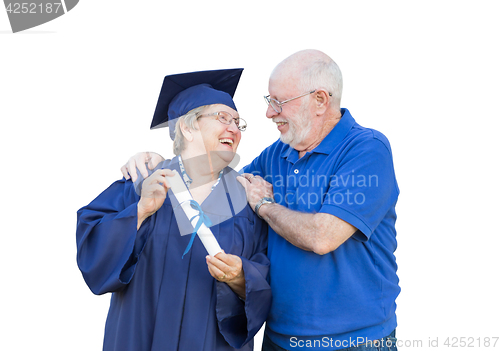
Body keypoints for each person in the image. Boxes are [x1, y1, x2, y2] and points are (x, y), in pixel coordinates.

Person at [122, 50, 400, 351]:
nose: (269, 113)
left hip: (354, 341)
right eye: (269, 102)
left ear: (319, 100)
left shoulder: (366, 150)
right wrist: (164, 163)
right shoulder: (276, 155)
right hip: (280, 338)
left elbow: (323, 236)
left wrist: (265, 206)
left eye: (278, 102)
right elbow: (213, 185)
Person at [76, 69, 271, 351]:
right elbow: (92, 252)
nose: (234, 128)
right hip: (139, 339)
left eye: (238, 123)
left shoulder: (246, 202)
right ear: (187, 127)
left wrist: (242, 277)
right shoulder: (142, 182)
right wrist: (140, 211)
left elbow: (269, 276)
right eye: (222, 118)